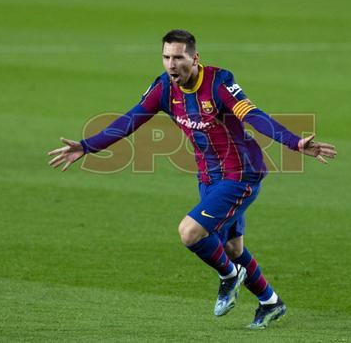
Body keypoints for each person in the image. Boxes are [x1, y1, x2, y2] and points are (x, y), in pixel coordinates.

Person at [48, 29, 336, 329]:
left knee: (190, 232)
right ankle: (270, 302)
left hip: (241, 174)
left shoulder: (219, 83)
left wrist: (294, 143)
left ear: (195, 58)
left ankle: (228, 275)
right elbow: (130, 120)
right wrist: (86, 146)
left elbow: (252, 114)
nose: (171, 64)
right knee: (233, 249)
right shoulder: (164, 89)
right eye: (166, 57)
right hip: (208, 177)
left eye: (178, 57)